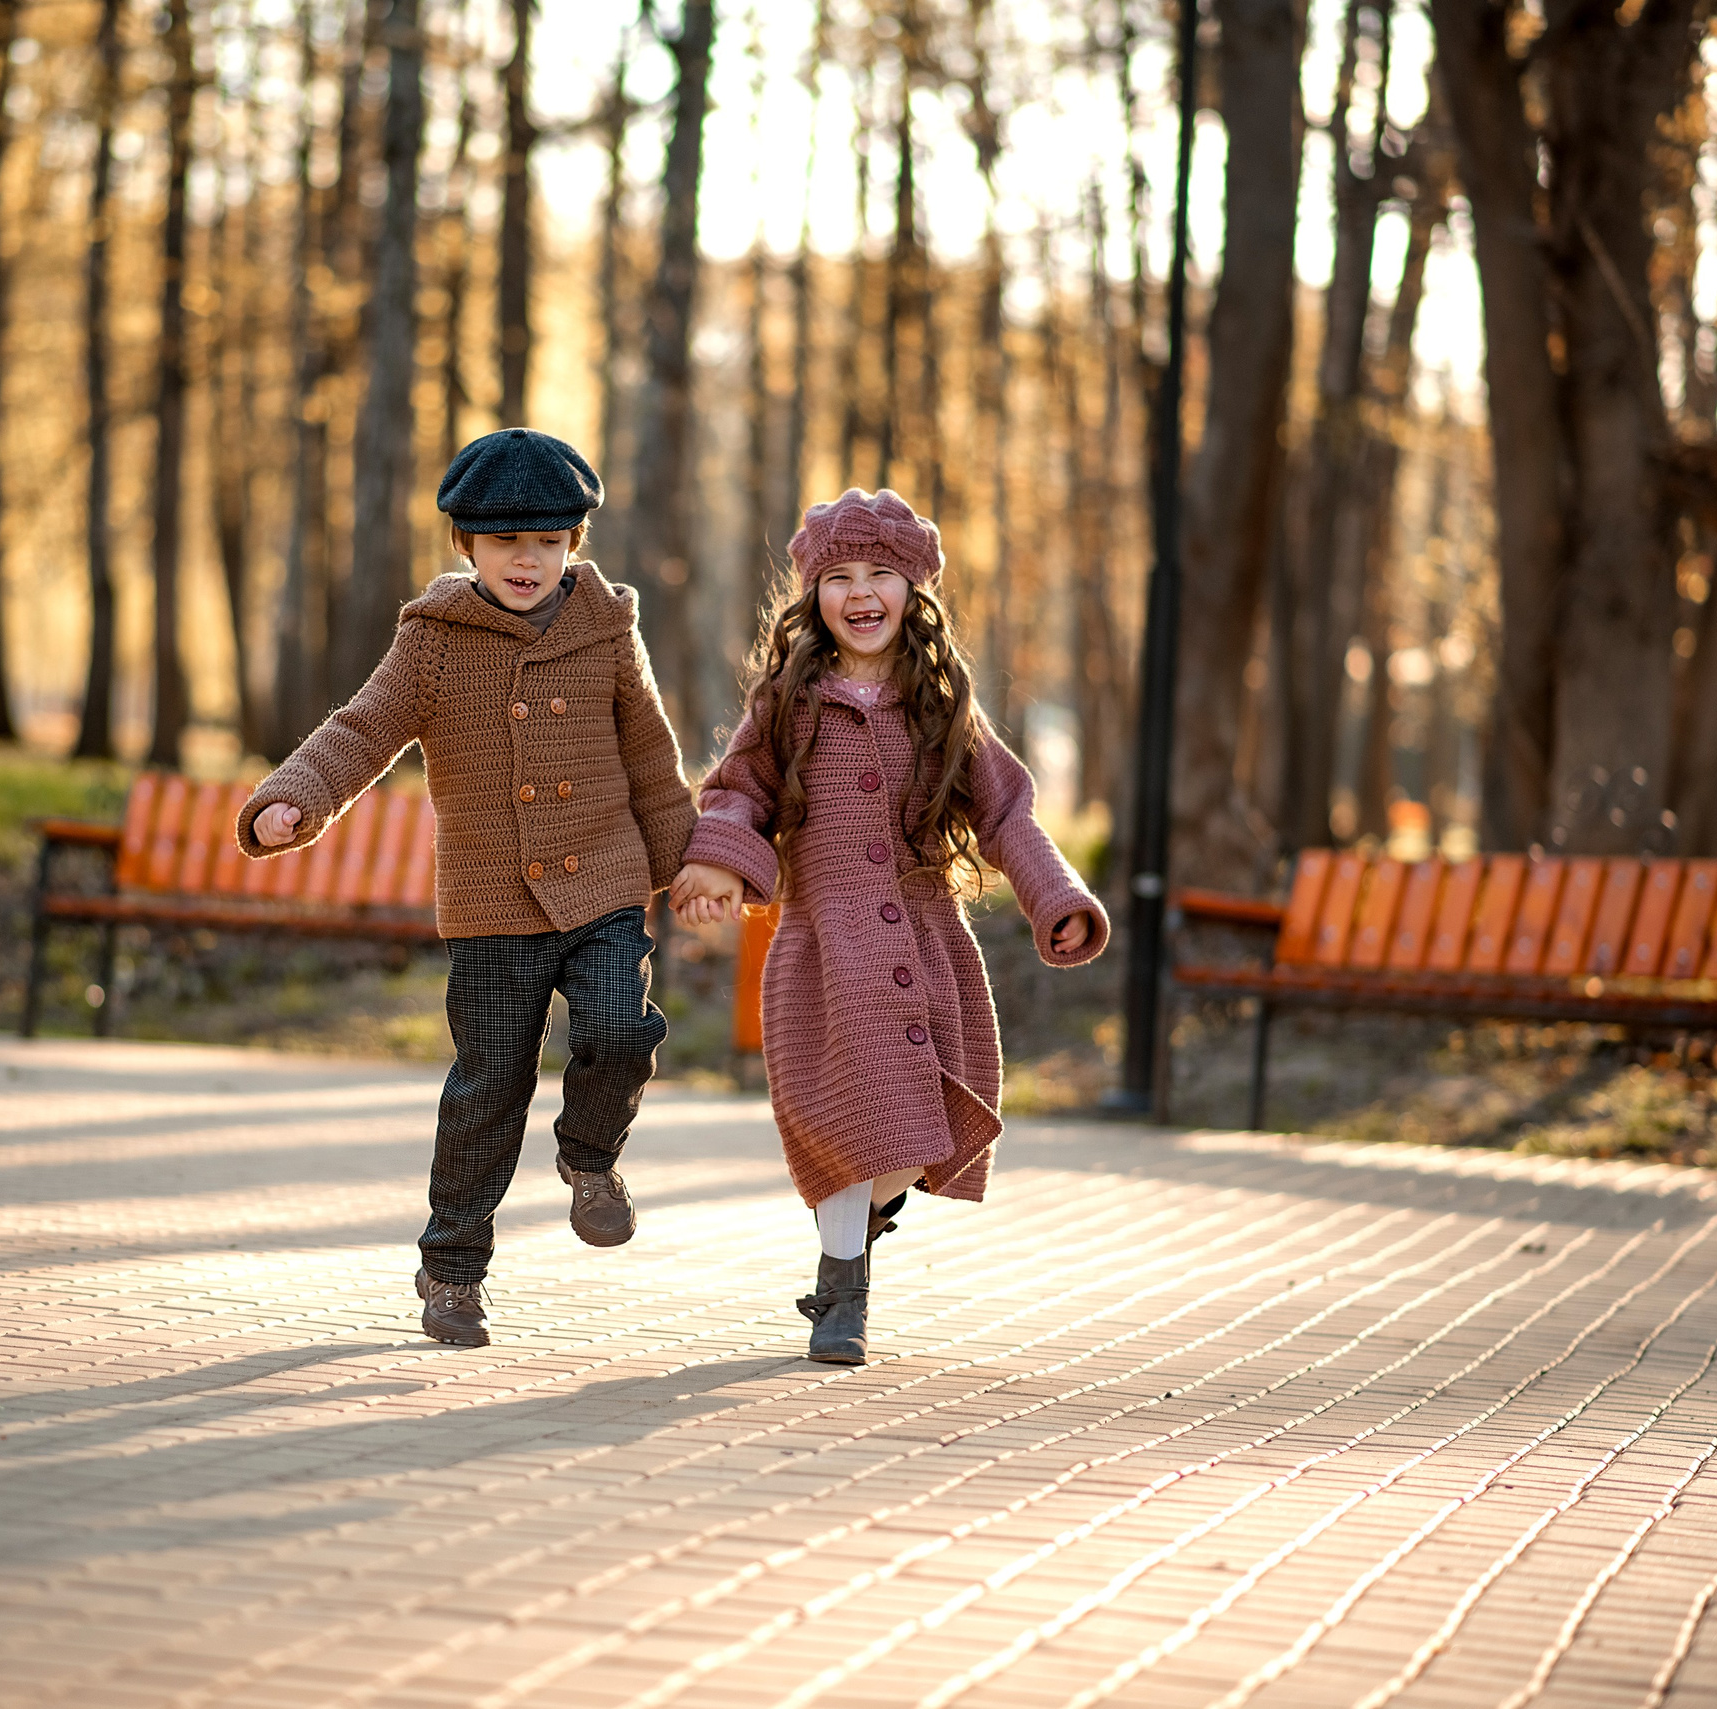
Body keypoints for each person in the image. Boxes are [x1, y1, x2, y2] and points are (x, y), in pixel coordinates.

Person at [238, 428, 697, 1348]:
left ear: (575, 543)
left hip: (604, 883)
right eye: (503, 543)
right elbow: (362, 730)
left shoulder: (608, 630)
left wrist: (690, 865)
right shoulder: (434, 643)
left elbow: (651, 757)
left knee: (621, 1026)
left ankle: (590, 1156)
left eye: (546, 542)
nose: (526, 561)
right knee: (488, 1088)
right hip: (494, 906)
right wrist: (292, 794)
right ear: (467, 547)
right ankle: (452, 1270)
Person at [669, 487, 1110, 1365]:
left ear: (914, 590)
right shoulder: (788, 703)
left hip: (924, 944)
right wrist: (717, 863)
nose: (859, 591)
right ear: (812, 594)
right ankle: (844, 1300)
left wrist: (1055, 896)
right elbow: (737, 790)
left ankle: (858, 1231)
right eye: (838, 575)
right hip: (826, 951)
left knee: (925, 1131)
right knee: (851, 1118)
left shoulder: (942, 707)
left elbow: (1008, 812)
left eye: (880, 573)